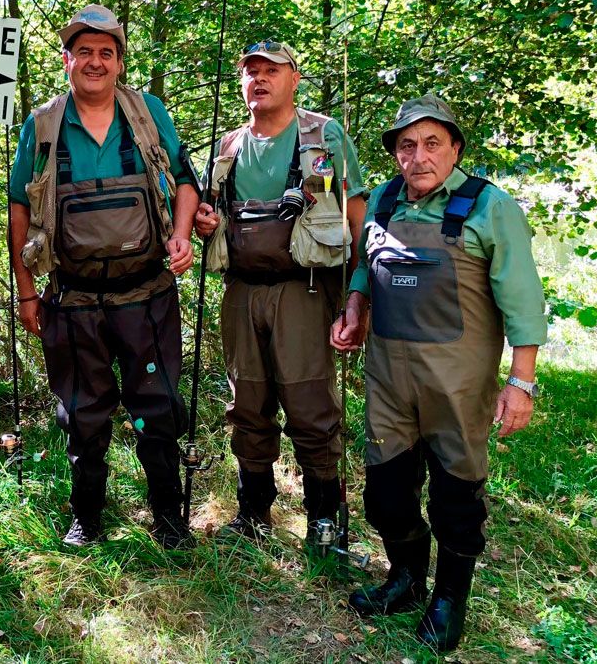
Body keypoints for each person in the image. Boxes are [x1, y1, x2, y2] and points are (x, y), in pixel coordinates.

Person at [331, 93, 546, 651]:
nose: (419, 156)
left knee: (456, 499)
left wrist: (521, 382)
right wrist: (355, 307)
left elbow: (522, 300)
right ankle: (404, 577)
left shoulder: (489, 207)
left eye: (432, 143)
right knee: (384, 493)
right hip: (388, 379)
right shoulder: (381, 201)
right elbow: (363, 265)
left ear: (454, 148)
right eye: (407, 145)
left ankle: (449, 597)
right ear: (395, 153)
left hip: (459, 384)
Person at [9, 5, 201, 550]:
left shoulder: (147, 114)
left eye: (107, 53)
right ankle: (87, 518)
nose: (96, 62)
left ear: (119, 63)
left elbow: (185, 182)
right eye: (85, 52)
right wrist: (26, 290)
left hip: (147, 295)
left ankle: (168, 518)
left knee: (157, 406)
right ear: (67, 59)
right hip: (71, 300)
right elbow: (19, 209)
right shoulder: (43, 125)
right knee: (84, 414)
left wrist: (182, 233)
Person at [193, 41, 368, 547]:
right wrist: (207, 221)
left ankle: (324, 519)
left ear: (295, 79)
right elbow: (210, 214)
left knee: (311, 404)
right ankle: (252, 512)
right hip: (242, 291)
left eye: (272, 70)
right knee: (246, 403)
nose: (260, 79)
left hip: (305, 291)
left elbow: (356, 216)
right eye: (251, 72)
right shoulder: (228, 146)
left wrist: (357, 296)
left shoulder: (324, 136)